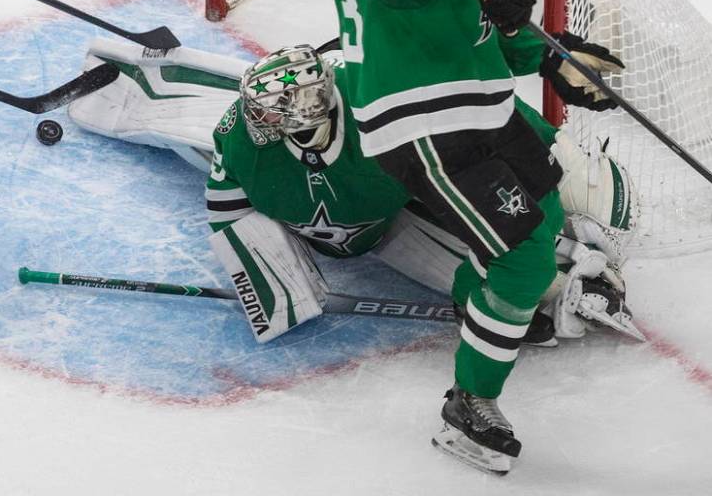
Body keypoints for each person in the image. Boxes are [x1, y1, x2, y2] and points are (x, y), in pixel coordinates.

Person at [326, 0, 622, 472]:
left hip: (481, 113)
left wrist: (550, 55)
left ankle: (488, 312)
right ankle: (470, 403)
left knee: (542, 228)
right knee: (523, 263)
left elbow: (477, 34)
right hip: (427, 121)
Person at [67, 38, 640, 355]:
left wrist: (556, 162)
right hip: (380, 229)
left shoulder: (372, 100)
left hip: (415, 172)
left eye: (270, 113)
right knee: (510, 288)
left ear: (305, 111)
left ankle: (584, 221)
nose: (256, 122)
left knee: (526, 204)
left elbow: (480, 111)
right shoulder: (239, 137)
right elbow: (228, 210)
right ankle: (568, 288)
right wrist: (282, 291)